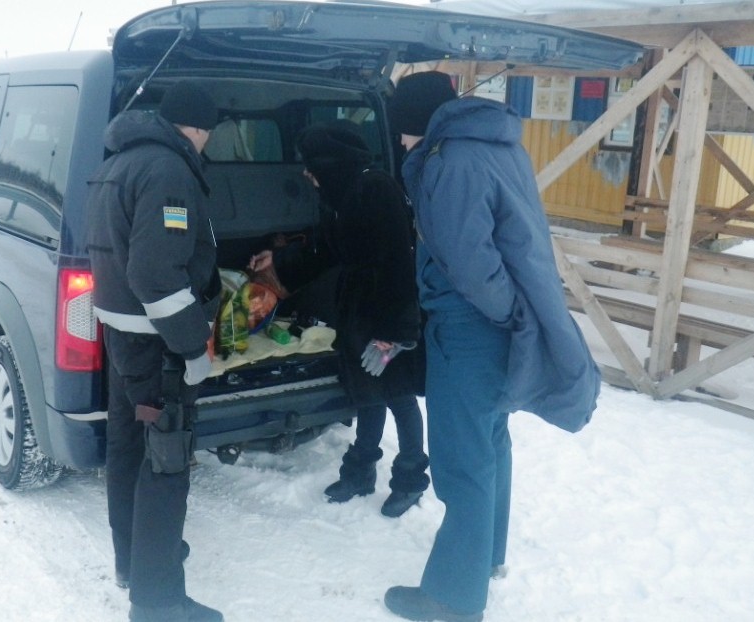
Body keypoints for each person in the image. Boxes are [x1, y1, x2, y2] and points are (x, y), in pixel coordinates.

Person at [382, 72, 602, 622]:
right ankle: (486, 557)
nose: (403, 146)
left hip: (470, 325)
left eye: (403, 135)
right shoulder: (495, 145)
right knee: (492, 441)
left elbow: (470, 262)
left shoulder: (449, 161)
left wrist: (504, 312)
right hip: (495, 323)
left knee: (462, 462)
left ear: (416, 124)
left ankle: (452, 598)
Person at [86, 81, 224, 622]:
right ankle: (158, 601)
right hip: (157, 347)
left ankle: (134, 562)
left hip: (123, 342)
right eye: (208, 134)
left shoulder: (118, 161)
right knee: (166, 464)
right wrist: (192, 347)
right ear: (196, 129)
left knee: (128, 450)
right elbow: (154, 273)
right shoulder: (167, 171)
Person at [248, 123, 430, 518]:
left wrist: (395, 336)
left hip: (385, 316)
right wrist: (276, 261)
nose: (306, 174)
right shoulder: (343, 195)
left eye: (311, 166)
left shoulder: (375, 190)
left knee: (399, 399)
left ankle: (411, 480)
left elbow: (399, 264)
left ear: (331, 164)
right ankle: (360, 472)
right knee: (366, 395)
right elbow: (326, 250)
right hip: (359, 314)